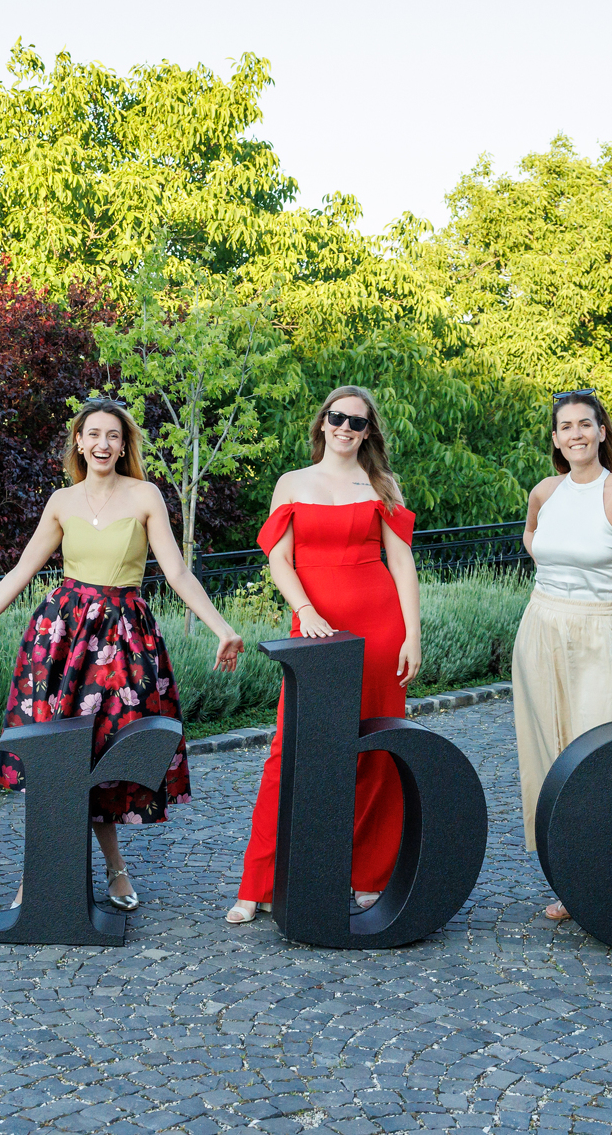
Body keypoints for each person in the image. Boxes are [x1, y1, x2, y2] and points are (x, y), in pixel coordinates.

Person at [0, 398, 244, 911]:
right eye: (93, 434)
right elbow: (21, 571)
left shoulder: (145, 495)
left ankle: (116, 868)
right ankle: (40, 874)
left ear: (124, 446)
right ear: (79, 442)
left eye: (113, 436)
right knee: (56, 758)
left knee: (105, 753)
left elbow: (177, 572)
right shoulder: (61, 501)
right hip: (61, 641)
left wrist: (222, 628)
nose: (103, 444)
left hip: (123, 642)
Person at [227, 386, 421, 925]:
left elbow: (402, 562)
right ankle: (259, 884)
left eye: (357, 422)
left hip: (380, 626)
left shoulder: (382, 484)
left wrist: (413, 634)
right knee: (288, 751)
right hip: (312, 628)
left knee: (377, 748)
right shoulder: (291, 483)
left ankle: (370, 875)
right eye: (337, 418)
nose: (345, 428)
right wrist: (305, 610)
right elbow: (279, 560)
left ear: (368, 431)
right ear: (322, 422)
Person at [512, 390, 612, 922]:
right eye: (566, 426)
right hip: (541, 629)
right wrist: (552, 566)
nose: (575, 434)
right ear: (555, 439)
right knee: (547, 758)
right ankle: (570, 878)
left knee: (600, 762)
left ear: (601, 431)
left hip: (602, 634)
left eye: (585, 424)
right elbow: (531, 535)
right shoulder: (544, 492)